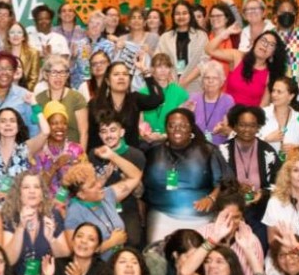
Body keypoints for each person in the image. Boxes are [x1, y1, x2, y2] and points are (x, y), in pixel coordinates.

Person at [143, 109, 231, 242]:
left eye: (183, 125)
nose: (177, 129)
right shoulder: (152, 152)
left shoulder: (207, 150)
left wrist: (212, 198)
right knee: (157, 258)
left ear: (191, 128)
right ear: (166, 128)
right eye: (172, 125)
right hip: (161, 215)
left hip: (201, 218)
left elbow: (225, 183)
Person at [60, 147, 142, 260]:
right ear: (81, 195)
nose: (99, 185)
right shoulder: (75, 213)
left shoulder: (106, 195)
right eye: (92, 185)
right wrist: (111, 243)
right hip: (98, 270)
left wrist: (112, 156)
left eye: (97, 180)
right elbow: (76, 251)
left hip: (117, 263)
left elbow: (135, 176)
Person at [219, 105, 281, 243]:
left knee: (260, 244)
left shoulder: (268, 151)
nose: (247, 129)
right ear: (234, 126)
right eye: (242, 125)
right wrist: (235, 187)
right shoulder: (223, 150)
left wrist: (263, 193)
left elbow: (280, 182)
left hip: (261, 211)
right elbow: (216, 181)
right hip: (231, 211)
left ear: (258, 127)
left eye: (252, 125)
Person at [90, 112, 147, 248]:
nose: (108, 135)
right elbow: (89, 190)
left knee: (133, 241)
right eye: (104, 132)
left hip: (128, 208)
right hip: (101, 208)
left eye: (113, 130)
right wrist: (101, 179)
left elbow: (139, 193)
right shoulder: (94, 154)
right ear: (99, 135)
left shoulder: (136, 155)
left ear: (122, 132)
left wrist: (129, 179)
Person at [86, 61, 164, 149]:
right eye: (116, 74)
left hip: (130, 156)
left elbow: (158, 99)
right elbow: (91, 136)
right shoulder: (96, 104)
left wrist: (145, 71)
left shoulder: (135, 99)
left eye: (125, 74)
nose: (121, 77)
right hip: (103, 155)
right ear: (107, 81)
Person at [205, 24, 287, 107]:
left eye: (271, 45)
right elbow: (209, 50)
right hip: (224, 112)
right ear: (255, 43)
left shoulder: (270, 75)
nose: (265, 45)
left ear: (273, 53)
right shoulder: (237, 57)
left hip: (249, 117)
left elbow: (263, 107)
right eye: (263, 40)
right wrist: (226, 33)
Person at [0, 108, 47, 200]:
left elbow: (45, 132)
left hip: (20, 208)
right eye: (3, 121)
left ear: (18, 126)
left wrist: (34, 104)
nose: (8, 124)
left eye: (12, 121)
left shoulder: (26, 148)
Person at [0, 52, 39, 136]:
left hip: (17, 147)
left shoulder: (25, 95)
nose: (4, 73)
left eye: (9, 69)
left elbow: (34, 130)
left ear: (14, 72)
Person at [156, 0, 208, 93]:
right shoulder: (165, 37)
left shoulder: (201, 35)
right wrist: (171, 81)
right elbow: (159, 60)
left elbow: (204, 61)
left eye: (184, 13)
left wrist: (185, 82)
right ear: (173, 16)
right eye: (177, 14)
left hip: (195, 84)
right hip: (169, 84)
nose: (181, 16)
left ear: (190, 15)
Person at [136, 54, 191, 142]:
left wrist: (164, 136)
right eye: (159, 66)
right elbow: (140, 122)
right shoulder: (143, 92)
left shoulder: (179, 92)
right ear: (152, 69)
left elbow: (181, 122)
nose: (163, 70)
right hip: (146, 139)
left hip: (171, 139)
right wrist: (146, 135)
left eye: (166, 66)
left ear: (170, 69)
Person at [184, 60, 234, 145]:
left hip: (219, 148)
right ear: (202, 81)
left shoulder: (228, 100)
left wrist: (223, 129)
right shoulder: (193, 98)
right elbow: (185, 126)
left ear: (221, 81)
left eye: (215, 78)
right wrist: (189, 114)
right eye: (207, 78)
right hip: (196, 147)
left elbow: (231, 131)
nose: (210, 81)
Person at [259, 77, 299, 153]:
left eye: (279, 92)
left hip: (290, 163)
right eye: (273, 91)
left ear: (291, 96)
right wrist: (266, 139)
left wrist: (297, 149)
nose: (274, 95)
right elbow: (247, 142)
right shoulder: (261, 114)